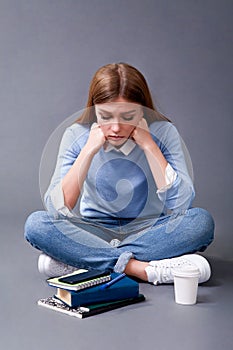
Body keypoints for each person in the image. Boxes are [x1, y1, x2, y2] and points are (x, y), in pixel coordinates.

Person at [24, 62, 214, 285]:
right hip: (94, 230)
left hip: (149, 230)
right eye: (105, 116)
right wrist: (88, 150)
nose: (115, 128)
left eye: (127, 116)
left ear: (143, 111)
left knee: (201, 222)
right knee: (37, 224)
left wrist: (149, 146)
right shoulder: (76, 134)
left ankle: (82, 261)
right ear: (94, 110)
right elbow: (57, 208)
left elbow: (181, 204)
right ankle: (140, 268)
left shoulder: (163, 132)